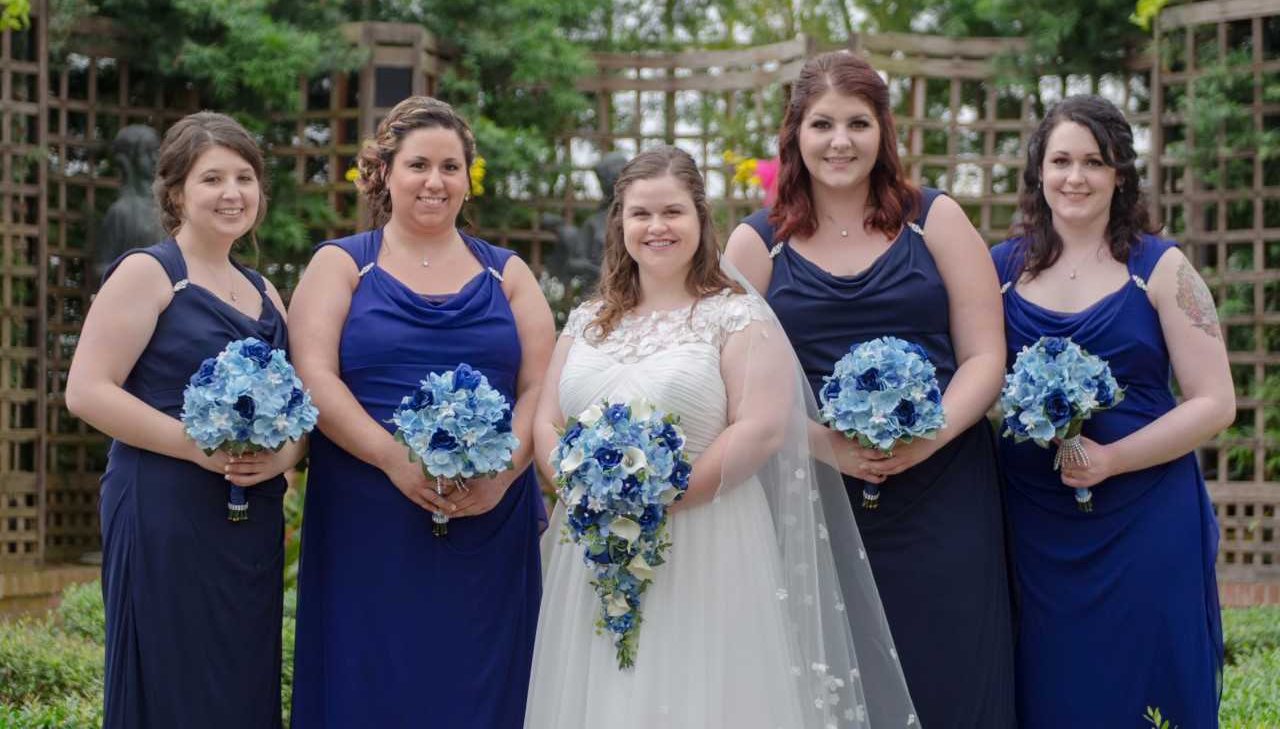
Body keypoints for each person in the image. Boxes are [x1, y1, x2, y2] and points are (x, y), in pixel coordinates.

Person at [525, 146, 916, 728]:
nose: (657, 227)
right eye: (641, 214)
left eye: (672, 212)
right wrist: (591, 496)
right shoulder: (588, 319)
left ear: (700, 219)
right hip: (597, 542)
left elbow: (758, 429)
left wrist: (655, 501)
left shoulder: (735, 317)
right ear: (620, 223)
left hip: (707, 540)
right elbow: (546, 419)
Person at [724, 50, 1016, 728]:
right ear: (794, 132)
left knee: (952, 669)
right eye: (822, 124)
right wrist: (822, 445)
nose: (840, 142)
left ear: (883, 130)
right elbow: (729, 393)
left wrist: (929, 436)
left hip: (946, 493)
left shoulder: (934, 220)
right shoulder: (754, 244)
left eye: (858, 122)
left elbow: (984, 355)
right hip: (814, 500)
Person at [287, 96, 553, 728]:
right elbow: (312, 376)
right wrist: (392, 459)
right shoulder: (343, 263)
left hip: (487, 515)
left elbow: (542, 386)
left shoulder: (507, 273)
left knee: (479, 680)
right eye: (418, 165)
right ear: (384, 173)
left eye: (451, 167)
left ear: (467, 178)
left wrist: (503, 475)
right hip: (366, 511)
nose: (435, 181)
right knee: (373, 674)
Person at [990, 94, 1232, 728]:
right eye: (1061, 160)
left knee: (1148, 680)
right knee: (1050, 683)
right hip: (1035, 521)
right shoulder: (1000, 271)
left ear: (1119, 173)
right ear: (1038, 171)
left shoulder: (1160, 266)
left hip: (1145, 511)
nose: (1076, 177)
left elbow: (1215, 402)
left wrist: (1113, 458)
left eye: (1094, 162)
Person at [66, 111, 298, 729]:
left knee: (242, 672)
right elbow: (87, 391)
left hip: (250, 514)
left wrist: (281, 457)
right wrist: (198, 447)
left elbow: (299, 412)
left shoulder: (266, 293)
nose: (232, 193)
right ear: (176, 193)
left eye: (245, 178)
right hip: (162, 505)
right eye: (212, 178)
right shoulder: (150, 273)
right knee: (172, 674)